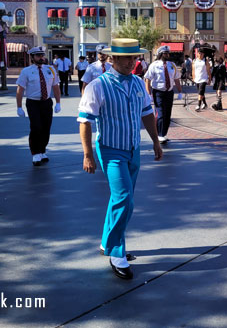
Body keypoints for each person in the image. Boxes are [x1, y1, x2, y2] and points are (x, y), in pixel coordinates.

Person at [78, 38, 162, 280]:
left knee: (121, 198)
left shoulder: (137, 83)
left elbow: (147, 114)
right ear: (112, 59)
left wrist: (155, 141)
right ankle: (117, 252)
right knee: (124, 198)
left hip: (133, 149)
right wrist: (88, 154)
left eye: (133, 57)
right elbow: (85, 120)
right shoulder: (98, 85)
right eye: (125, 58)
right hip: (110, 149)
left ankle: (107, 241)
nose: (130, 62)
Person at [15, 46, 61, 166]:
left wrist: (58, 103)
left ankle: (42, 150)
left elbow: (56, 87)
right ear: (32, 57)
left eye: (42, 55)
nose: (41, 57)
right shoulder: (26, 71)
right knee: (36, 127)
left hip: (46, 102)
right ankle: (35, 153)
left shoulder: (50, 69)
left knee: (46, 128)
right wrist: (19, 107)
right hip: (33, 102)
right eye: (38, 56)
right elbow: (20, 89)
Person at [144, 45, 183, 143]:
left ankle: (164, 133)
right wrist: (149, 94)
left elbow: (176, 78)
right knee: (160, 113)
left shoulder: (172, 65)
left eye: (168, 53)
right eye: (165, 53)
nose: (167, 55)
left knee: (167, 114)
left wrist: (180, 91)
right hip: (158, 92)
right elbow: (147, 79)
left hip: (169, 92)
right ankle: (159, 134)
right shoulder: (154, 65)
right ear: (160, 54)